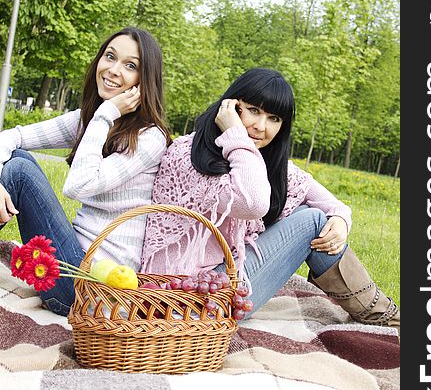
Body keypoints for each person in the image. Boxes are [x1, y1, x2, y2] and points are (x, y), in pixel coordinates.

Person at [141, 67, 399, 332]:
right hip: (184, 298)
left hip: (220, 284)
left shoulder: (259, 161)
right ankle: (385, 315)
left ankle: (383, 314)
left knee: (317, 216)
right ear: (230, 107)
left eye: (273, 118)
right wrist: (235, 135)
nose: (260, 126)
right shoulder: (189, 154)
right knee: (312, 220)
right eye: (253, 110)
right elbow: (253, 203)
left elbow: (332, 204)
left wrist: (342, 221)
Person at [0, 27, 172, 316]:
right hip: (69, 260)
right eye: (110, 57)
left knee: (18, 170)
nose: (114, 70)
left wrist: (106, 114)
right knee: (16, 157)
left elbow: (78, 186)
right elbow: (11, 136)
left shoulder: (149, 138)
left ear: (144, 82)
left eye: (130, 66)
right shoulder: (89, 118)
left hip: (90, 289)